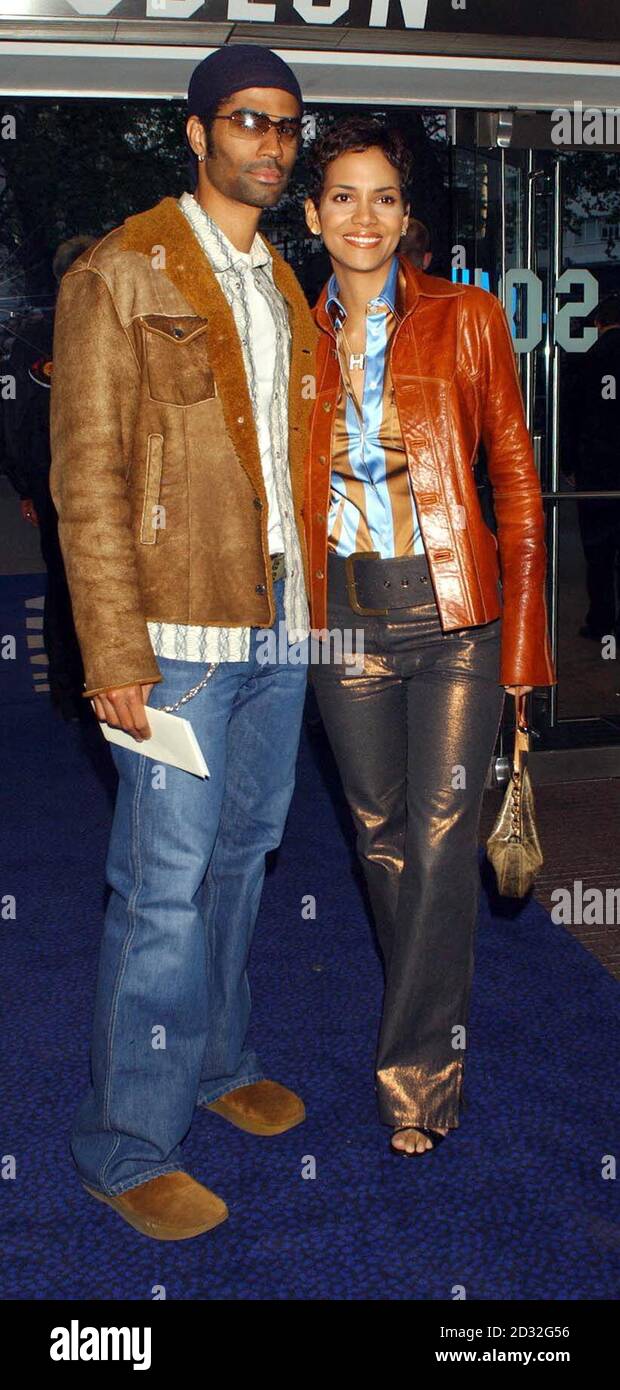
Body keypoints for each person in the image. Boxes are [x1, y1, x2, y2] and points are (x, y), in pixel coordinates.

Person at [50, 45, 318, 1240]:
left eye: (287, 128)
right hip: (173, 634)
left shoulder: (279, 278)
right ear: (197, 130)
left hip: (281, 628)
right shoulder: (123, 267)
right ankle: (124, 1143)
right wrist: (110, 647)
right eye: (249, 122)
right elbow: (87, 478)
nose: (270, 143)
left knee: (242, 860)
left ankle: (216, 1064)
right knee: (160, 890)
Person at [303, 117, 556, 1157]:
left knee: (444, 837)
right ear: (312, 214)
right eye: (342, 197)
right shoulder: (284, 328)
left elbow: (514, 484)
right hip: (337, 617)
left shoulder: (466, 317)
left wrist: (524, 654)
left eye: (384, 198)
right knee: (378, 839)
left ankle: (416, 1074)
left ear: (406, 216)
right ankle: (424, 1004)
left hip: (452, 613)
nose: (364, 217)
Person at [2, 238, 94, 718]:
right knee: (64, 581)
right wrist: (26, 486)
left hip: (115, 484)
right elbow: (14, 414)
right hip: (54, 482)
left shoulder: (121, 328)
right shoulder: (38, 337)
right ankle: (69, 689)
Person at [563, 294, 620, 641]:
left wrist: (570, 464)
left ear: (599, 323)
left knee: (598, 551)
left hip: (595, 469)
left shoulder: (587, 362)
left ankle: (600, 620)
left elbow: (570, 419)